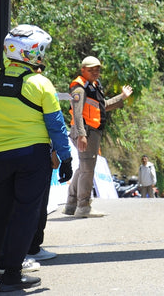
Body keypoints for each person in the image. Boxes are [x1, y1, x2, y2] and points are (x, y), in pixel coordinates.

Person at [0, 24, 73, 291]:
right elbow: (56, 126)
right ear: (32, 53)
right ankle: (12, 275)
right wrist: (66, 158)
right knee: (25, 214)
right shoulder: (41, 84)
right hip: (33, 157)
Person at [64, 56, 133, 217]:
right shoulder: (79, 88)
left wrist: (122, 97)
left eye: (97, 69)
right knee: (87, 169)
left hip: (91, 132)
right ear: (83, 70)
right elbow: (77, 113)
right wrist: (82, 135)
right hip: (86, 132)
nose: (95, 72)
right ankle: (83, 206)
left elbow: (103, 106)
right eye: (91, 70)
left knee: (83, 167)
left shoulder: (93, 86)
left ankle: (71, 203)